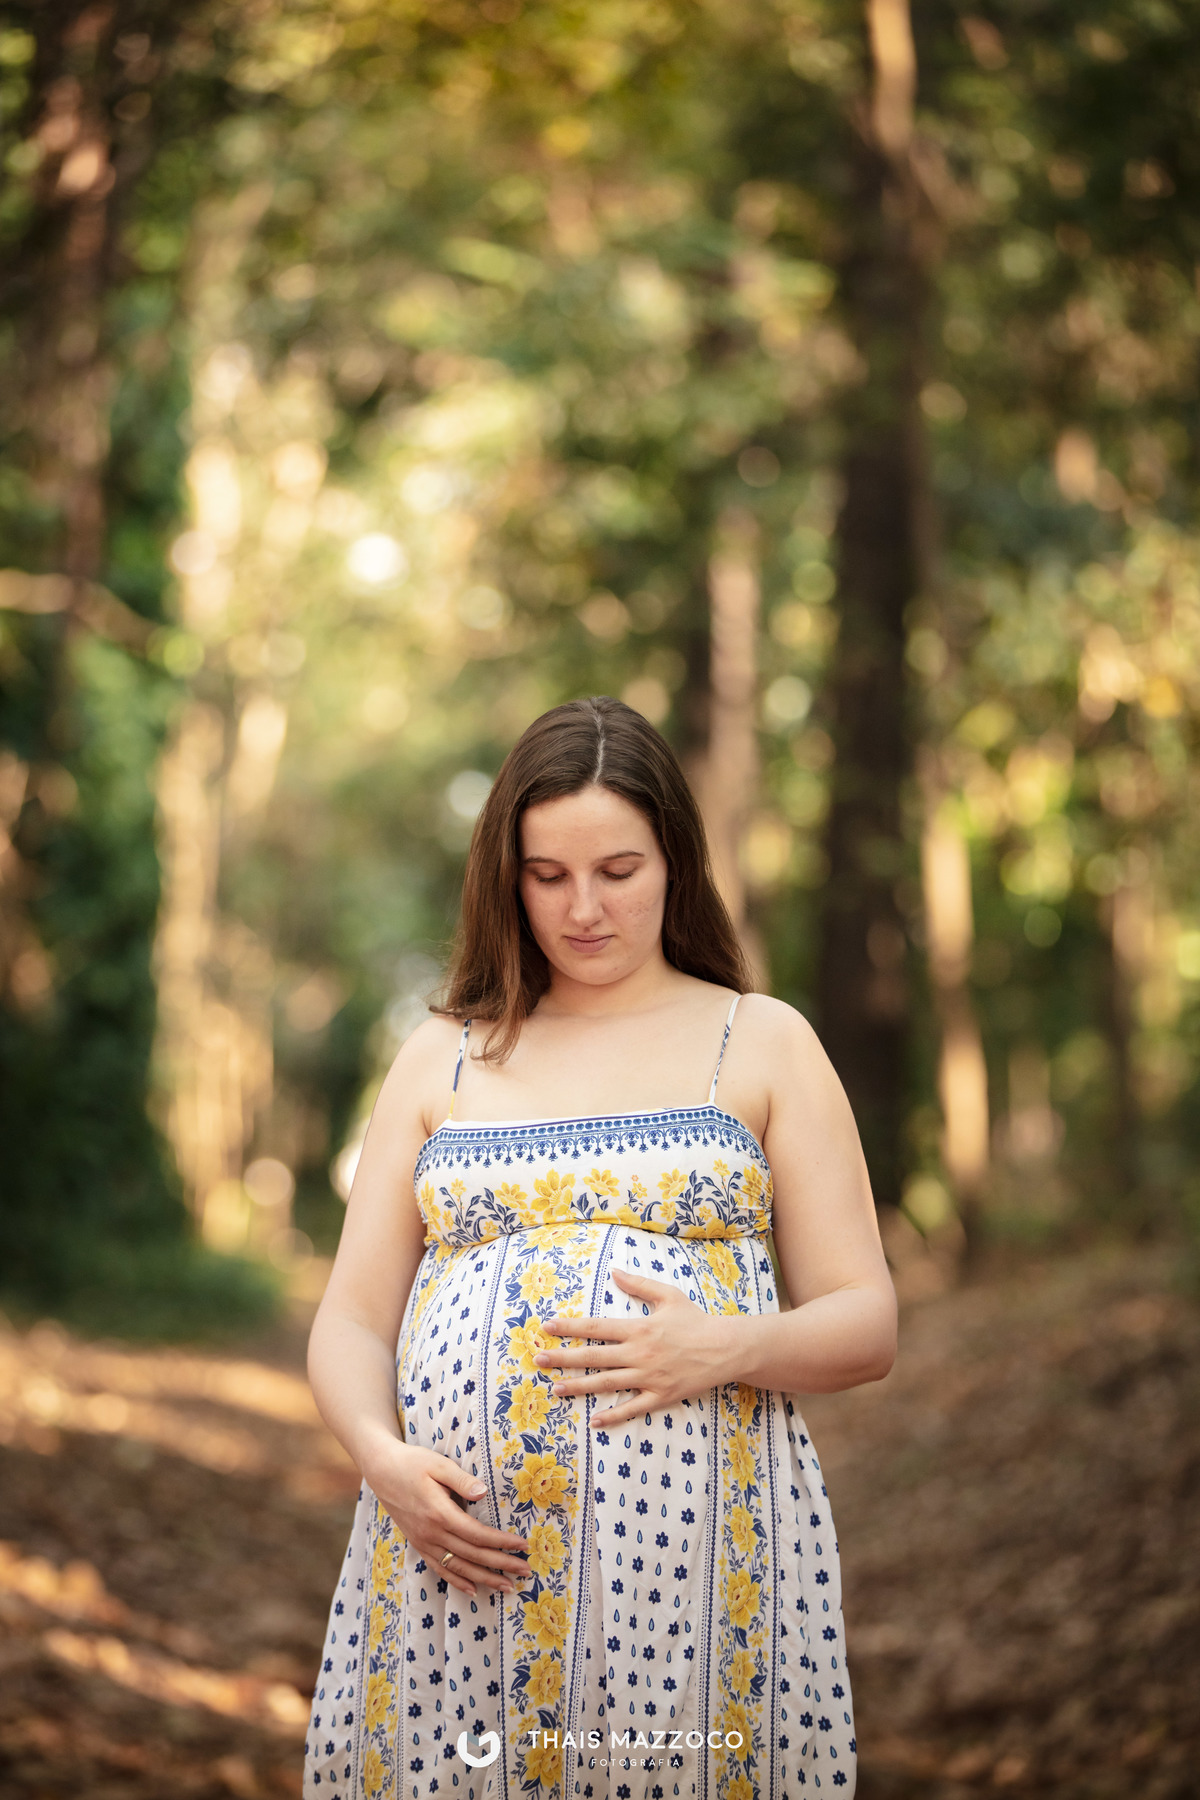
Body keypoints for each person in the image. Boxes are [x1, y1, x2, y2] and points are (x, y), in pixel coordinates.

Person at [303, 695, 897, 1800]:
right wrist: (385, 1464)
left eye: (617, 870)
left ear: (674, 858)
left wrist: (719, 1349)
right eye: (547, 875)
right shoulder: (442, 1056)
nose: (583, 909)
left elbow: (867, 1322)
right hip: (457, 1577)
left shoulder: (761, 1042)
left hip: (695, 1580)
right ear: (506, 876)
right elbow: (348, 1320)